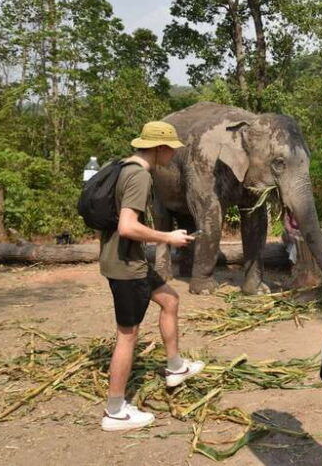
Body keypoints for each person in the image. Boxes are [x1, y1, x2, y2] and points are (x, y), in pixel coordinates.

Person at [99, 121, 204, 431]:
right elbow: (127, 226)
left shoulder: (123, 166)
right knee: (127, 336)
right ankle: (115, 410)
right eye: (170, 148)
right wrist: (167, 238)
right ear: (159, 148)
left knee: (170, 299)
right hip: (125, 267)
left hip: (125, 260)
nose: (173, 153)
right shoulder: (140, 176)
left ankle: (175, 366)